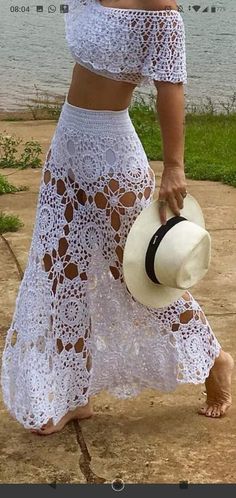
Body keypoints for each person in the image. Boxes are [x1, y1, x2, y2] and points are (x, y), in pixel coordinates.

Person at [1, 0, 234, 436]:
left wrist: (174, 166)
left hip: (112, 154)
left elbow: (171, 87)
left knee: (135, 272)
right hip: (68, 143)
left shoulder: (160, 8)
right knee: (62, 270)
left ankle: (214, 359)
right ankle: (75, 394)